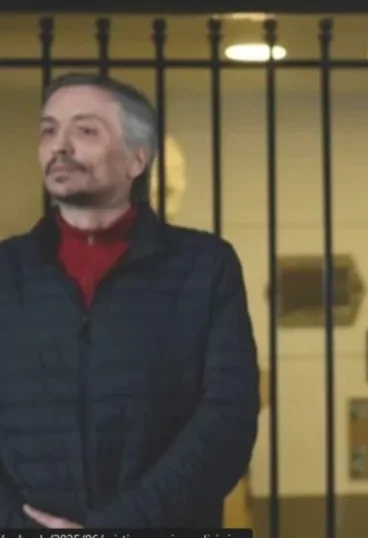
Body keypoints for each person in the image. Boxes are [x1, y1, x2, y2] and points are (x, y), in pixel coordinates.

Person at [0, 73, 259, 529]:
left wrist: (120, 526)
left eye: (85, 130)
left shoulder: (204, 266)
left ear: (137, 159)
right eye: (48, 131)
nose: (59, 146)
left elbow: (228, 419)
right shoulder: (6, 271)